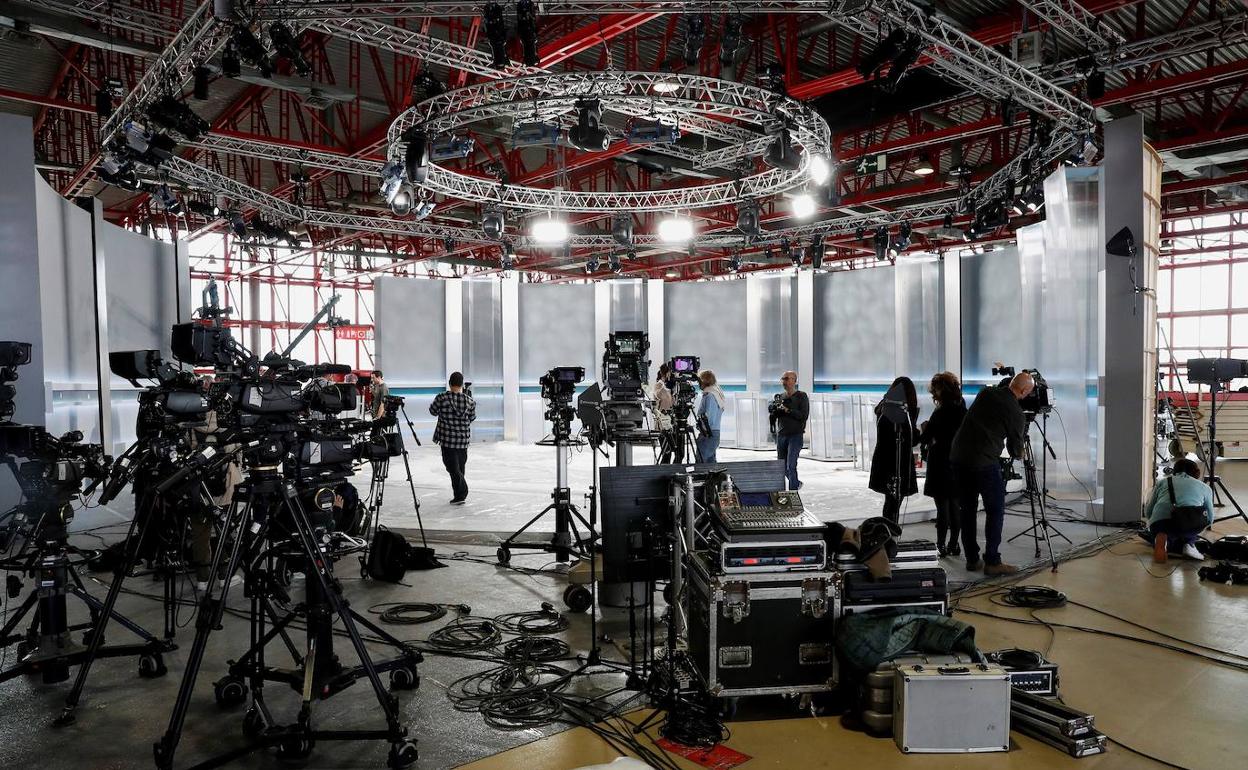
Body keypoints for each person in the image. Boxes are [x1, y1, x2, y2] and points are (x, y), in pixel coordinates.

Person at [949, 371, 1033, 576]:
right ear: (1024, 392)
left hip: (959, 456)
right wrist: (1021, 444)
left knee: (967, 509)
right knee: (995, 510)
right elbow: (1015, 451)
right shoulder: (1016, 413)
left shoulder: (985, 393)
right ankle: (993, 562)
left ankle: (972, 559)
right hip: (983, 461)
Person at [919, 372, 968, 556]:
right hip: (958, 461)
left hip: (939, 461)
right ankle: (954, 544)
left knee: (942, 508)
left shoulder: (939, 412)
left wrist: (924, 428)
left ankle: (940, 545)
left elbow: (925, 438)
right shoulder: (962, 410)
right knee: (955, 506)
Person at [1141, 458, 1213, 563]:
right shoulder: (1205, 487)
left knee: (1163, 532)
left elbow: (1149, 512)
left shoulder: (1163, 482)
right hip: (1187, 523)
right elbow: (1210, 518)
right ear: (1197, 473)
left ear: (1174, 471)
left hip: (1160, 523)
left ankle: (1163, 540)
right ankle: (1189, 544)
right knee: (1189, 529)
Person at [869, 376, 920, 524]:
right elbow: (910, 439)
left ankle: (888, 529)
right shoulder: (901, 411)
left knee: (891, 501)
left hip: (885, 459)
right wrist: (920, 432)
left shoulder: (884, 407)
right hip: (898, 462)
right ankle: (890, 530)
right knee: (894, 503)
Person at [429, 371, 476, 504]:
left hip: (447, 439)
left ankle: (461, 493)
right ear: (461, 384)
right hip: (463, 440)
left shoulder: (441, 398)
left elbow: (432, 411)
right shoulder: (470, 401)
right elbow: (472, 417)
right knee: (460, 468)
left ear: (449, 383)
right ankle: (459, 496)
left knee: (452, 468)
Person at [772, 370, 810, 491]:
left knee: (791, 465)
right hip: (782, 435)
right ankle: (796, 483)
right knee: (782, 467)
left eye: (787, 379)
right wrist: (774, 410)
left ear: (794, 381)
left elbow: (803, 416)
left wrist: (788, 410)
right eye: (783, 379)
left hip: (795, 435)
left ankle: (793, 492)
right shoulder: (780, 397)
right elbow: (775, 416)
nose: (784, 381)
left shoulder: (801, 396)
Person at [649, 363, 679, 463]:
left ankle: (674, 470)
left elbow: (673, 403)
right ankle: (664, 471)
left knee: (679, 453)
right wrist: (666, 386)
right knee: (667, 453)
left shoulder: (673, 386)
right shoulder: (659, 385)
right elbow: (657, 398)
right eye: (671, 373)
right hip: (663, 424)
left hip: (673, 423)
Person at [695, 369, 725, 464]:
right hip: (713, 433)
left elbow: (709, 418)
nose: (698, 383)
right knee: (710, 463)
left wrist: (701, 428)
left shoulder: (710, 395)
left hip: (708, 433)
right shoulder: (715, 392)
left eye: (699, 381)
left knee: (702, 463)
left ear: (704, 381)